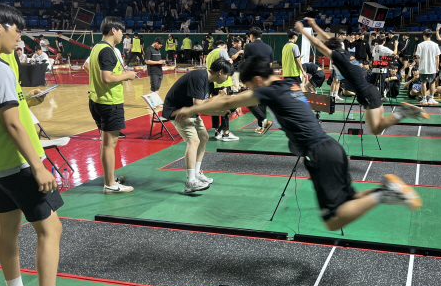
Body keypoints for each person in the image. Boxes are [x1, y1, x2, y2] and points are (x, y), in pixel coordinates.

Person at [176, 57, 423, 230]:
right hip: (331, 147)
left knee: (333, 220)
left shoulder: (269, 90)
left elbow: (226, 104)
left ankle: (384, 194)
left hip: (318, 152)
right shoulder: (289, 83)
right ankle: (387, 190)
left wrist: (190, 108)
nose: (250, 91)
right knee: (350, 201)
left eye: (250, 86)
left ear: (259, 80)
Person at [0, 2, 89, 286]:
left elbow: (5, 110)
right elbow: (12, 124)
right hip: (18, 164)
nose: (20, 37)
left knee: (8, 228)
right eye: (17, 29)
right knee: (51, 230)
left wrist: (24, 98)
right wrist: (38, 166)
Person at [297, 18, 427, 134]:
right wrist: (314, 25)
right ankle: (402, 113)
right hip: (371, 91)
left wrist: (303, 31)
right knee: (380, 123)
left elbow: (319, 44)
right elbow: (328, 40)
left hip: (366, 95)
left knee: (376, 129)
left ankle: (403, 112)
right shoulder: (345, 52)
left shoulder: (338, 56)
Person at [162, 58, 233, 193]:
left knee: (204, 137)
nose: (227, 79)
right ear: (221, 72)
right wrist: (220, 106)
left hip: (189, 110)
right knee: (193, 141)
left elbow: (206, 104)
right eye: (227, 76)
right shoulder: (199, 77)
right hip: (178, 111)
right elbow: (200, 106)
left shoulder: (210, 81)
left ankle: (196, 172)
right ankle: (191, 181)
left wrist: (222, 111)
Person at [88, 17, 137, 193]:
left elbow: (88, 68)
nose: (123, 35)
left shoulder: (96, 48)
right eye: (121, 31)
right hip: (109, 102)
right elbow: (106, 78)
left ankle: (110, 177)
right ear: (113, 30)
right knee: (109, 144)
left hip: (96, 100)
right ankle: (110, 184)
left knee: (105, 143)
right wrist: (127, 76)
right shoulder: (108, 50)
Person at [206, 41, 239, 142]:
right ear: (225, 46)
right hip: (222, 83)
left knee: (216, 107)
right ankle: (226, 133)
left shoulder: (209, 54)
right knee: (226, 108)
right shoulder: (222, 51)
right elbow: (227, 65)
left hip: (213, 84)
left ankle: (217, 132)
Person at [243, 26, 273, 134]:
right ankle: (261, 127)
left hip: (254, 78)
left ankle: (264, 121)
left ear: (252, 35)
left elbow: (246, 63)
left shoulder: (249, 46)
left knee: (248, 101)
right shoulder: (269, 48)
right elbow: (270, 65)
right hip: (265, 78)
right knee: (262, 103)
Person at [415, 28, 441, 105]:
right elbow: (437, 57)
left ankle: (424, 99)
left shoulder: (420, 45)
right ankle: (431, 99)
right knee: (432, 83)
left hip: (423, 67)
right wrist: (437, 67)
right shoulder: (435, 45)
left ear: (424, 36)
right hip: (432, 67)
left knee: (423, 83)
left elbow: (417, 56)